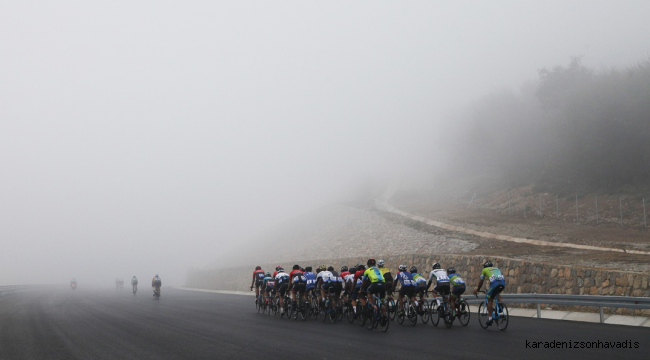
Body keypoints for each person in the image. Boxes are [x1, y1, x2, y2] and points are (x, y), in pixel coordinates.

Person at [473, 260, 505, 326]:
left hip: (494, 284)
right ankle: (499, 304)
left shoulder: (484, 270)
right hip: (502, 283)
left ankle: (490, 319)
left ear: (485, 266)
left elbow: (481, 281)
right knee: (497, 293)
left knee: (489, 299)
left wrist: (478, 289)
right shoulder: (496, 268)